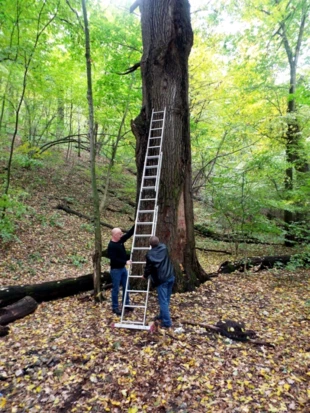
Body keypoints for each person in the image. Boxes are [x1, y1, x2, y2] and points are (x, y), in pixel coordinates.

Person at [143, 236, 175, 328]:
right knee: (166, 299)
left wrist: (144, 276)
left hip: (161, 280)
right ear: (159, 242)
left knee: (163, 301)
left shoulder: (149, 254)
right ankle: (162, 315)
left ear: (150, 244)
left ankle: (167, 322)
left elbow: (149, 268)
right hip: (170, 276)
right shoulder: (164, 248)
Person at [107, 226, 134, 315]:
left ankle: (126, 304)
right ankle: (115, 307)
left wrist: (136, 223)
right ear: (114, 235)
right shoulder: (111, 246)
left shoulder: (120, 240)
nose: (121, 235)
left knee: (127, 286)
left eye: (121, 233)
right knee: (116, 289)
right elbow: (113, 259)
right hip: (116, 270)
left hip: (123, 269)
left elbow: (129, 234)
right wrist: (125, 261)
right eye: (119, 234)